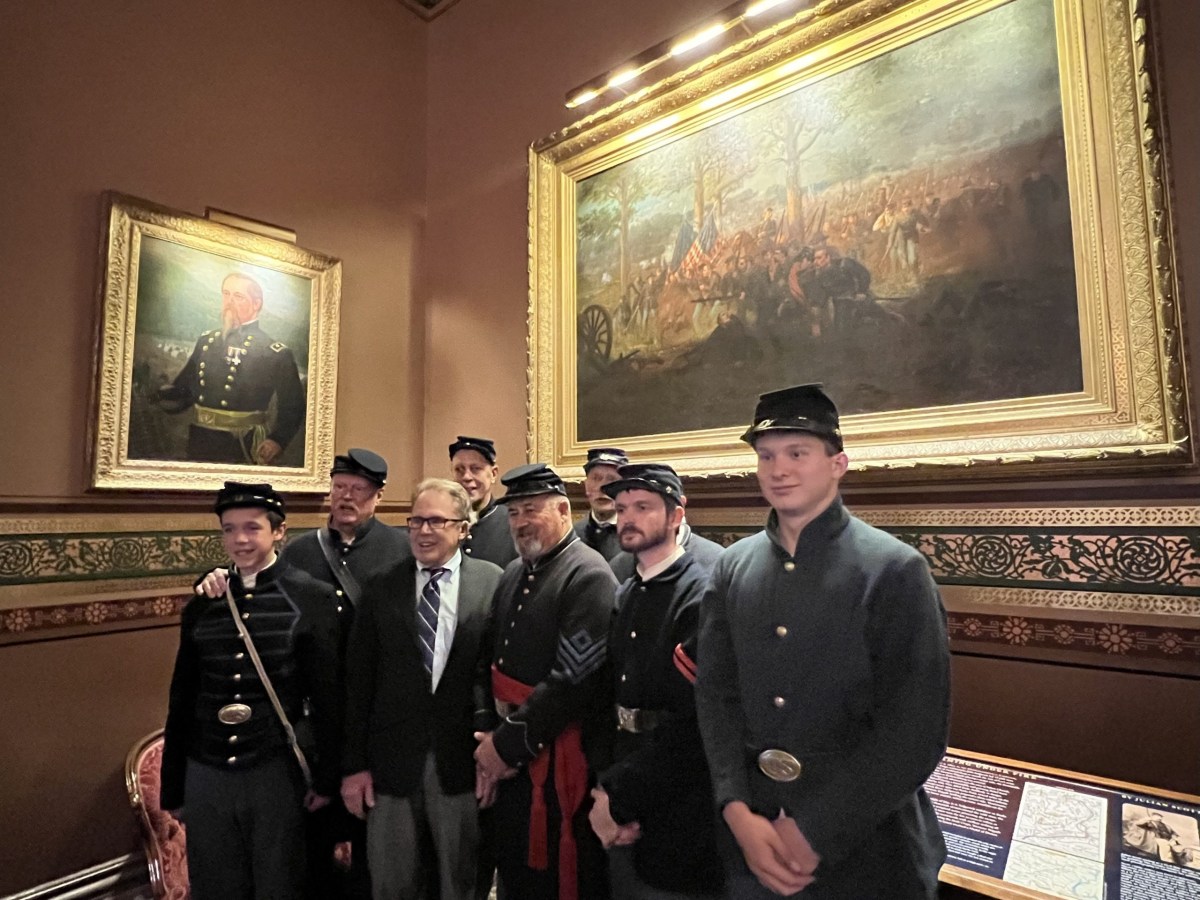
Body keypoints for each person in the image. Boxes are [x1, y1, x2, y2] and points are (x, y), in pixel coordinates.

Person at [695, 384, 950, 899]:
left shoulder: (894, 570)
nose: (778, 469)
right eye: (765, 456)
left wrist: (815, 829)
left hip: (866, 850)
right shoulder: (732, 568)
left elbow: (915, 728)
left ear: (838, 464)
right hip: (754, 842)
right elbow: (716, 697)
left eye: (797, 453)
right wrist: (736, 809)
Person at [194, 449, 411, 899]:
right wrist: (214, 577)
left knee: (373, 841)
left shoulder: (401, 548)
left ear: (377, 496)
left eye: (358, 490)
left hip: (375, 711)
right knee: (302, 851)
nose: (346, 497)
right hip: (311, 723)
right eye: (339, 488)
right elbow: (260, 587)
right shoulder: (300, 550)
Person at [161, 482, 341, 900]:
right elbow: (182, 698)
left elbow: (330, 698)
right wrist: (174, 784)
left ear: (278, 532)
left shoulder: (310, 599)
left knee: (280, 884)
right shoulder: (203, 605)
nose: (239, 540)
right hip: (207, 770)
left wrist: (328, 778)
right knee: (217, 885)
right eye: (229, 529)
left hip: (274, 770)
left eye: (252, 528)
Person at [341, 479, 503, 900]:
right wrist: (354, 765)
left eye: (435, 521)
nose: (423, 531)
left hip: (460, 763)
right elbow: (358, 683)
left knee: (461, 879)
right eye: (415, 521)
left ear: (463, 528)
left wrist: (492, 755)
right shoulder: (381, 587)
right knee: (392, 884)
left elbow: (492, 675)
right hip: (390, 764)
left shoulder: (492, 583)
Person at [473, 463, 617, 900]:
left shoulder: (588, 575)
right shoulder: (515, 571)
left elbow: (573, 680)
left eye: (531, 509)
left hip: (557, 756)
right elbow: (488, 659)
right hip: (514, 750)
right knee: (516, 870)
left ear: (562, 509)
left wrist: (506, 747)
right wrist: (486, 731)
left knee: (555, 878)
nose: (520, 522)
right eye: (514, 513)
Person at [589, 463, 725, 899]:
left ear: (676, 516)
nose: (627, 517)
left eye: (644, 507)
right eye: (622, 507)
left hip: (678, 796)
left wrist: (619, 800)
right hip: (624, 773)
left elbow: (692, 725)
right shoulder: (628, 590)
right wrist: (603, 786)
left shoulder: (700, 595)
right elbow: (609, 696)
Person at [158, 272, 306, 465]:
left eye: (238, 296)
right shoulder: (206, 341)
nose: (229, 301)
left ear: (256, 304)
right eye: (226, 294)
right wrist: (163, 394)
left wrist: (277, 440)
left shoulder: (274, 352)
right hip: (200, 439)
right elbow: (186, 390)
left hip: (241, 442)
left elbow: (292, 406)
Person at [449, 435, 518, 569]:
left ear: (493, 474)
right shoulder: (443, 522)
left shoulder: (512, 521)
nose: (467, 477)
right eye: (459, 469)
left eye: (475, 469)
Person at [573, 447, 629, 561]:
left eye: (612, 480)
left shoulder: (636, 533)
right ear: (586, 485)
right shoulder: (573, 535)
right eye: (596, 478)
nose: (602, 488)